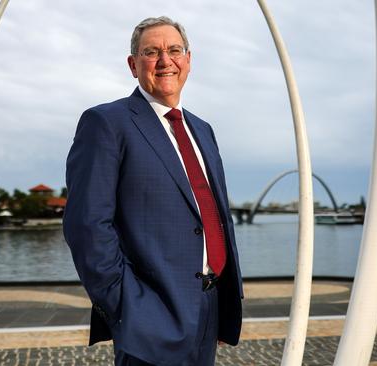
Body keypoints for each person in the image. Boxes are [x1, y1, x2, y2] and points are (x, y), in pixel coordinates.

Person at [63, 16, 243, 366]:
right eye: (151, 52)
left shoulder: (202, 130)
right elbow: (86, 226)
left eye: (174, 50)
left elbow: (214, 217)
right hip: (149, 317)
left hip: (208, 309)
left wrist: (221, 302)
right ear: (133, 65)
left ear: (188, 60)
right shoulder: (107, 123)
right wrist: (127, 307)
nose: (165, 60)